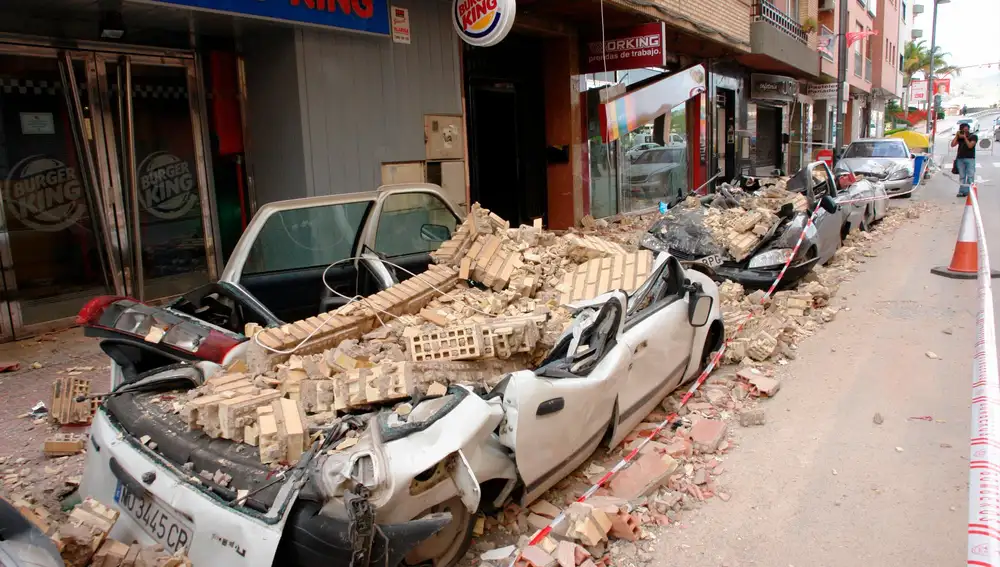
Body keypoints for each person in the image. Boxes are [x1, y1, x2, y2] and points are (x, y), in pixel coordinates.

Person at [951, 122, 978, 197]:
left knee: (970, 176)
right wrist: (957, 136)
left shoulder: (973, 136)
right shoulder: (960, 138)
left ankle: (970, 191)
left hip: (970, 158)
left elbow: (970, 146)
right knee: (962, 176)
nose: (965, 131)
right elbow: (952, 145)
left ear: (969, 129)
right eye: (963, 130)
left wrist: (965, 137)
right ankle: (962, 191)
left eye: (966, 130)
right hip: (960, 158)